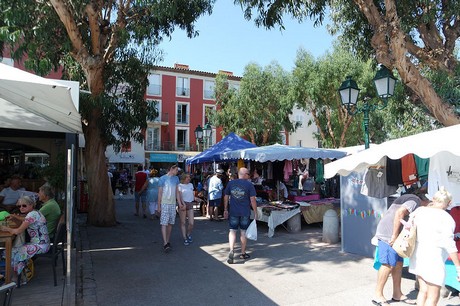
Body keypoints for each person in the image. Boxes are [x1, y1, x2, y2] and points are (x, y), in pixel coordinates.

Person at [372, 188, 430, 305]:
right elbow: (400, 212)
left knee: (398, 264)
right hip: (388, 233)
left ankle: (397, 294)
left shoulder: (413, 200)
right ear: (426, 200)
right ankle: (378, 295)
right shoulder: (415, 200)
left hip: (397, 234)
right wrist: (394, 235)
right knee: (387, 264)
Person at [409, 187, 460, 306]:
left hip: (418, 254)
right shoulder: (446, 218)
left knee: (423, 291)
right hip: (434, 258)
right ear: (449, 203)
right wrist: (458, 267)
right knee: (433, 296)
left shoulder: (419, 211)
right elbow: (450, 245)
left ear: (433, 199)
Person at [0, 196, 50, 284]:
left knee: (13, 253)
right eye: (19, 206)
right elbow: (25, 219)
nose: (21, 208)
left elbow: (18, 231)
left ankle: (14, 279)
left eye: (24, 206)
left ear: (31, 205)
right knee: (11, 251)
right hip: (42, 243)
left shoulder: (31, 215)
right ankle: (18, 277)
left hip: (40, 246)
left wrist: (6, 229)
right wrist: (15, 217)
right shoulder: (35, 212)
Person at [223, 167, 258, 264]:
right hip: (245, 212)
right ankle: (242, 253)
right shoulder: (249, 185)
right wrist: (255, 212)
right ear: (245, 174)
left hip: (233, 211)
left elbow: (226, 197)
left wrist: (225, 209)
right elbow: (252, 200)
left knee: (232, 231)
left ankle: (231, 250)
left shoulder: (231, 183)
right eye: (248, 174)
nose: (249, 176)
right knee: (243, 232)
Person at [157, 164, 181, 252]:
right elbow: (159, 193)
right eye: (176, 170)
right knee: (164, 223)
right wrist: (158, 206)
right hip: (164, 203)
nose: (177, 172)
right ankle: (165, 242)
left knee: (170, 223)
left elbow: (177, 192)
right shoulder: (162, 179)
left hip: (172, 203)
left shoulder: (176, 179)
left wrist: (179, 203)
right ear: (171, 169)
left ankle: (167, 240)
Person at [178, 173, 195, 245]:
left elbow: (192, 194)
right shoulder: (180, 186)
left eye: (189, 177)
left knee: (191, 223)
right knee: (183, 222)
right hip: (183, 204)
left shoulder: (191, 185)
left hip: (190, 203)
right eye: (187, 177)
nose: (189, 178)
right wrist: (182, 204)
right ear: (184, 178)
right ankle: (185, 238)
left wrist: (195, 198)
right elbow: (179, 196)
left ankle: (188, 234)